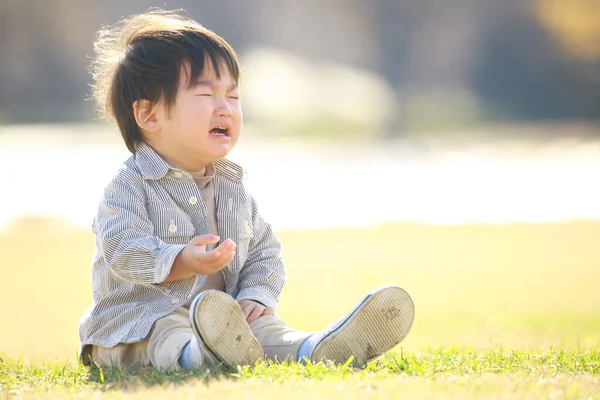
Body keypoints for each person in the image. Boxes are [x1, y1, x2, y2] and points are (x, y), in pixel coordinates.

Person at [79, 9, 415, 372]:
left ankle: (314, 347)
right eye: (206, 94)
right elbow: (121, 248)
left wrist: (256, 294)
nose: (225, 108)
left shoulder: (232, 188)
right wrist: (180, 260)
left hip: (227, 320)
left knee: (265, 329)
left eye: (234, 98)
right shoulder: (128, 188)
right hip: (136, 324)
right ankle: (198, 356)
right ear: (149, 115)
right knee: (167, 331)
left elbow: (264, 251)